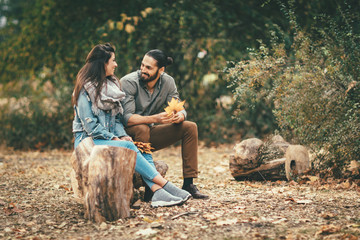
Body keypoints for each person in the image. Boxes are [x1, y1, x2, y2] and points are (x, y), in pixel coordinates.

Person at [71, 43, 191, 208]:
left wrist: (121, 134)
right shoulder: (84, 90)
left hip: (106, 139)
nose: (116, 64)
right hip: (87, 141)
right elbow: (90, 127)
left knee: (140, 146)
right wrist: (114, 137)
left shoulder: (111, 87)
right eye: (113, 60)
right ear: (103, 64)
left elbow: (117, 120)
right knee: (128, 145)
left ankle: (157, 192)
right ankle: (165, 185)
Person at [120, 49, 209, 199]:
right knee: (142, 128)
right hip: (126, 138)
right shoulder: (129, 82)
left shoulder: (168, 82)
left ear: (161, 70)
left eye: (149, 68)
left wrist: (180, 115)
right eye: (142, 65)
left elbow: (178, 106)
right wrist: (155, 119)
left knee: (189, 127)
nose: (143, 70)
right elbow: (126, 118)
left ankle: (189, 183)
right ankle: (151, 186)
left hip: (148, 134)